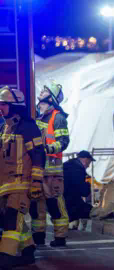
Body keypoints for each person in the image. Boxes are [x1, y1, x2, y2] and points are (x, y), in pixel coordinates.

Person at [0, 87, 45, 268]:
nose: (0, 108)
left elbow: (39, 155)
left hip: (21, 184)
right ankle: (28, 253)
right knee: (13, 220)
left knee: (12, 220)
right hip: (6, 185)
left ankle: (5, 258)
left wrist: (36, 182)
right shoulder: (5, 127)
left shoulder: (28, 127)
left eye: (3, 105)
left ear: (15, 106)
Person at [31, 82, 70, 247]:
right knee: (36, 205)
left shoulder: (58, 117)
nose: (40, 94)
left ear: (51, 98)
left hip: (52, 171)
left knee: (54, 204)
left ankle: (60, 237)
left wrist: (47, 148)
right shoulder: (38, 116)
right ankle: (38, 236)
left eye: (44, 92)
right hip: (37, 170)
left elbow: (64, 141)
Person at [63, 150, 96, 223]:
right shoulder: (78, 170)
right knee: (91, 211)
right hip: (70, 203)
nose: (88, 165)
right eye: (89, 162)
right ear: (85, 159)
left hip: (60, 201)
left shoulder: (66, 164)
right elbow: (84, 192)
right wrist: (88, 184)